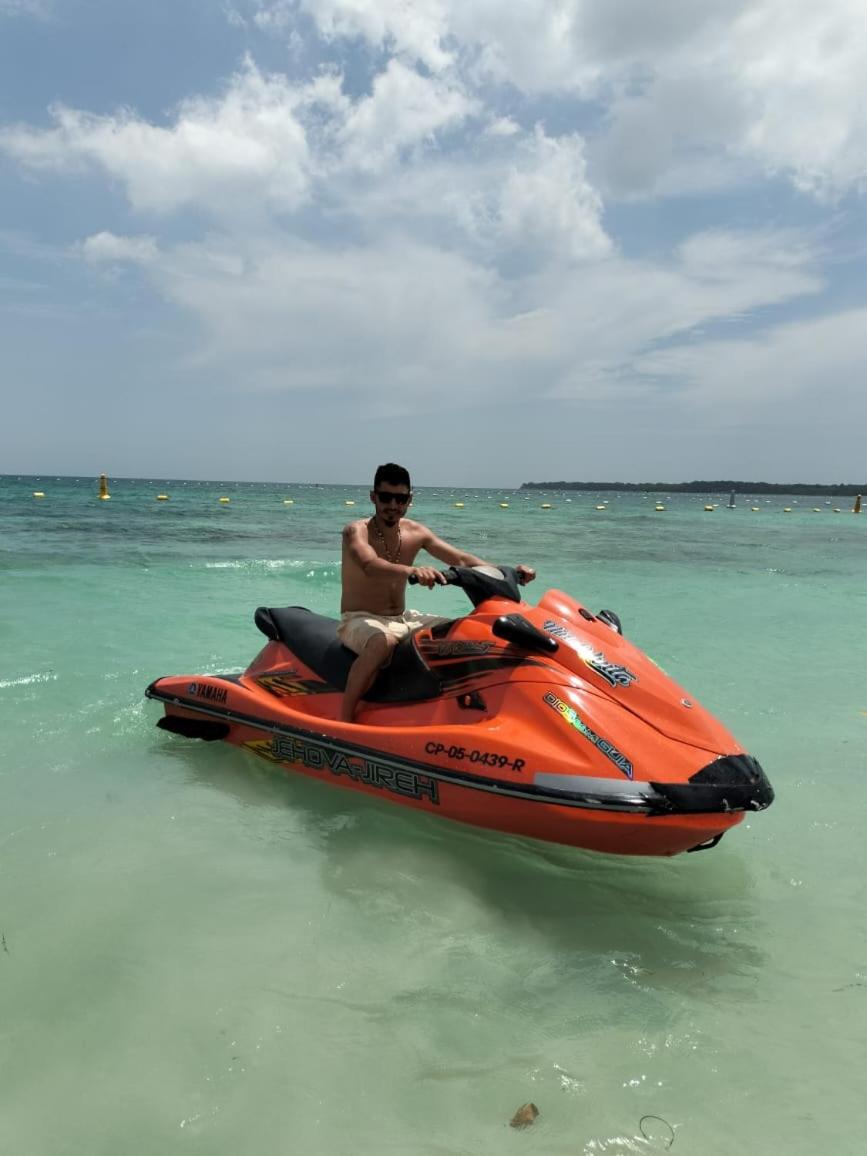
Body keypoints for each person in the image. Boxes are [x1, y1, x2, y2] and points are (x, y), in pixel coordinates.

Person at [339, 463, 535, 722]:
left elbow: (462, 559)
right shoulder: (356, 531)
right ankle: (344, 720)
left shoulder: (416, 532)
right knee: (382, 643)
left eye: (400, 499)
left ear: (409, 500)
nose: (393, 505)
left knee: (468, 631)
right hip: (359, 618)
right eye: (385, 497)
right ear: (373, 497)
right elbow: (369, 564)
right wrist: (412, 571)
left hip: (403, 618)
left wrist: (507, 572)